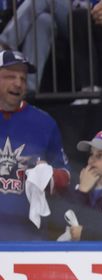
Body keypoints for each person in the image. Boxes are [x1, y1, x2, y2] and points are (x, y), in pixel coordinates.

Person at [0, 49, 70, 240]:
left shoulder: (44, 123)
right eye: (10, 76)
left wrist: (49, 176)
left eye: (23, 78)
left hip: (29, 242)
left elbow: (66, 175)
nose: (18, 83)